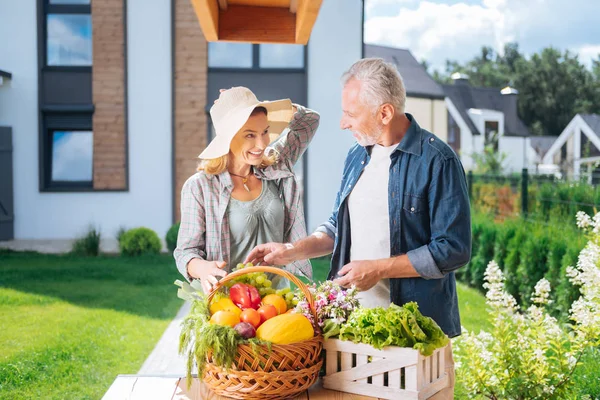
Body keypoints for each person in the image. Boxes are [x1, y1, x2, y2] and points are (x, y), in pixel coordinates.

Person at [245, 58, 471, 399]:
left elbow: (453, 248)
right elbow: (340, 226)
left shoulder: (437, 161)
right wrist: (291, 250)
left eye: (350, 114)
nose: (342, 123)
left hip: (415, 340)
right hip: (354, 331)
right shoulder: (357, 156)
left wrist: (378, 269)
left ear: (384, 113)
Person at [174, 87, 319, 293]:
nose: (261, 144)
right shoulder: (200, 187)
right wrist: (203, 268)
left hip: (278, 301)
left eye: (265, 131)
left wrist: (257, 104)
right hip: (229, 306)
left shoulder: (274, 166)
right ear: (228, 138)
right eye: (250, 135)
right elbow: (185, 252)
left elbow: (309, 122)